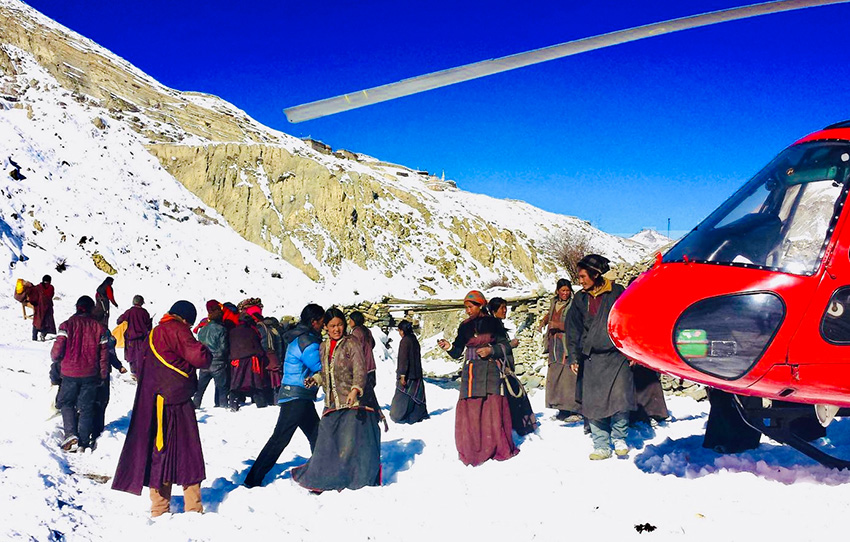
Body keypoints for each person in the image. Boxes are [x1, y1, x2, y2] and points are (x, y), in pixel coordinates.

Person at [112, 301, 212, 518]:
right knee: (188, 453)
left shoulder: (154, 332)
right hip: (178, 403)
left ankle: (159, 508)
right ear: (186, 319)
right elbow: (199, 357)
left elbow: (140, 363)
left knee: (159, 453)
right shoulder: (178, 330)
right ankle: (193, 507)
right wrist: (206, 350)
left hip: (154, 402)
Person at [292, 308, 382, 492]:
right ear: (325, 327)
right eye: (332, 326)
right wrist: (315, 379)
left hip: (350, 403)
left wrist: (356, 389)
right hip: (331, 402)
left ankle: (351, 478)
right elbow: (327, 373)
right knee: (327, 442)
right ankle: (323, 478)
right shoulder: (324, 346)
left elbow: (359, 369)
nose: (336, 329)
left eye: (340, 324)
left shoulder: (352, 343)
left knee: (349, 444)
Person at [243, 303, 324, 488]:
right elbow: (320, 367)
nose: (323, 325)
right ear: (314, 322)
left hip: (298, 395)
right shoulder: (307, 342)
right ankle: (253, 479)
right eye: (321, 322)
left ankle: (322, 470)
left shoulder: (300, 337)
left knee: (317, 435)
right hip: (297, 395)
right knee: (280, 439)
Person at [437, 291, 518, 466]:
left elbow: (506, 346)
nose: (468, 310)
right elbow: (458, 351)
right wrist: (448, 346)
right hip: (471, 372)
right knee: (472, 408)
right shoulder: (464, 326)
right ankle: (473, 449)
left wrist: (491, 350)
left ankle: (494, 446)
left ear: (480, 305)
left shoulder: (493, 324)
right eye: (466, 307)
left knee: (491, 407)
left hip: (491, 370)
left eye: (471, 306)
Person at [568, 254, 635, 460]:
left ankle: (620, 438)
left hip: (617, 357)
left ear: (596, 274)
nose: (580, 281)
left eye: (583, 276)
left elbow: (629, 320)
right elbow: (573, 329)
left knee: (620, 399)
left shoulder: (616, 292)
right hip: (592, 359)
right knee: (593, 403)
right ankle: (601, 445)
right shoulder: (580, 299)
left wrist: (632, 350)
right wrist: (573, 357)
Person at [49, 295, 109, 452]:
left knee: (66, 402)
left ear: (77, 307)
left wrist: (57, 360)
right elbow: (104, 356)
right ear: (91, 309)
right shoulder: (99, 328)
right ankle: (82, 443)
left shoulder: (67, 325)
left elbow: (57, 352)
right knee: (87, 407)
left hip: (69, 373)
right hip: (90, 374)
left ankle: (70, 434)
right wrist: (102, 374)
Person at [488, 297, 537, 436]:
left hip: (506, 367)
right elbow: (493, 348)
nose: (505, 310)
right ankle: (519, 426)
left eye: (505, 307)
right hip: (501, 369)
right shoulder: (492, 327)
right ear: (493, 311)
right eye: (502, 308)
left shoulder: (498, 325)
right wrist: (511, 345)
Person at [540, 278, 580, 421]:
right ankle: (561, 408)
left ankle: (573, 409)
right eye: (562, 290)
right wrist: (543, 322)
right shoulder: (554, 303)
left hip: (567, 345)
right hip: (554, 345)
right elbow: (550, 314)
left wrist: (557, 325)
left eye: (567, 290)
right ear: (557, 291)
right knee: (556, 375)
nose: (565, 293)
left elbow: (575, 324)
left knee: (568, 377)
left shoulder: (574, 305)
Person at [228, 300, 273, 409]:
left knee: (236, 382)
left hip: (236, 360)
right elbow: (256, 345)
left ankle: (234, 402)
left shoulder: (233, 331)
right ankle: (260, 403)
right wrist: (261, 355)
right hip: (251, 359)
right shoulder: (252, 331)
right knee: (256, 382)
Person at [389, 320, 429, 424]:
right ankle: (415, 416)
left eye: (399, 330)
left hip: (408, 376)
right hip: (416, 374)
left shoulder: (405, 341)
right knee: (416, 398)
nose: (399, 333)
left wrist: (402, 375)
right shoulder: (414, 339)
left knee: (398, 406)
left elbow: (403, 359)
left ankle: (399, 416)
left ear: (402, 331)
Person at [193, 300, 230, 408]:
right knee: (222, 389)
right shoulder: (222, 329)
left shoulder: (202, 329)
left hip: (204, 363)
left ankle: (195, 406)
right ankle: (223, 408)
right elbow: (223, 348)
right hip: (218, 363)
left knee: (199, 390)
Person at [92, 334, 129, 444]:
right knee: (101, 402)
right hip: (101, 373)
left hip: (85, 372)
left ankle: (85, 433)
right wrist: (118, 365)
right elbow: (109, 353)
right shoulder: (103, 332)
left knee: (88, 403)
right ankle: (97, 431)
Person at [116, 295, 152, 376]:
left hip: (131, 339)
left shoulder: (129, 312)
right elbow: (149, 326)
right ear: (141, 302)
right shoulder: (144, 312)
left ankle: (134, 373)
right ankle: (141, 373)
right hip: (142, 339)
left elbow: (119, 321)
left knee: (131, 357)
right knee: (141, 356)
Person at [29, 274, 56, 341]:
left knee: (36, 322)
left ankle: (34, 337)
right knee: (46, 323)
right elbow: (51, 295)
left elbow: (32, 298)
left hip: (39, 309)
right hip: (48, 309)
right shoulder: (51, 288)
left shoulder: (37, 288)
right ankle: (43, 335)